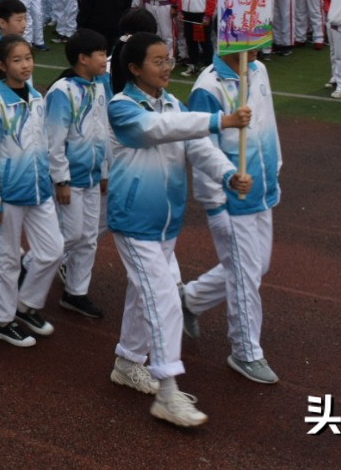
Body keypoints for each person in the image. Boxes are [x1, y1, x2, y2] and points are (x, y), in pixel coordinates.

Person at [106, 32, 252, 429]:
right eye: (157, 61)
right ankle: (168, 393)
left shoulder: (172, 101)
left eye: (168, 59)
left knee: (144, 295)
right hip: (135, 222)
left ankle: (127, 362)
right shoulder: (122, 108)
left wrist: (227, 174)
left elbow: (197, 146)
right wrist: (221, 118)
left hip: (166, 224)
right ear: (135, 69)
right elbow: (160, 129)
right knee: (165, 298)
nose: (167, 67)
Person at [180, 50, 283, 385]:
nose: (256, 46)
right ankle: (245, 351)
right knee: (244, 274)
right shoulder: (208, 87)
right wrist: (214, 202)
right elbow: (201, 147)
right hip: (230, 197)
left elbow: (268, 122)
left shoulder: (258, 70)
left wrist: (274, 168)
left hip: (262, 187)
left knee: (256, 266)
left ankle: (190, 299)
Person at [0, 35, 64, 348]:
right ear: (2, 66)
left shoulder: (37, 97)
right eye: (17, 60)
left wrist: (53, 178)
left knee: (53, 250)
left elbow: (43, 142)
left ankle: (26, 304)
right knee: (8, 259)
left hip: (39, 189)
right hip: (8, 194)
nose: (26, 64)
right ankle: (3, 320)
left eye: (28, 57)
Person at [45, 29, 110, 319]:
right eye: (100, 53)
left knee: (88, 237)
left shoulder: (99, 86)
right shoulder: (62, 92)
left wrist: (105, 168)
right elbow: (54, 140)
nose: (105, 59)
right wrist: (61, 178)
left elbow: (103, 130)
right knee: (69, 235)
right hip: (71, 177)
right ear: (82, 58)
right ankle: (31, 265)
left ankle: (76, 292)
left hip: (93, 176)